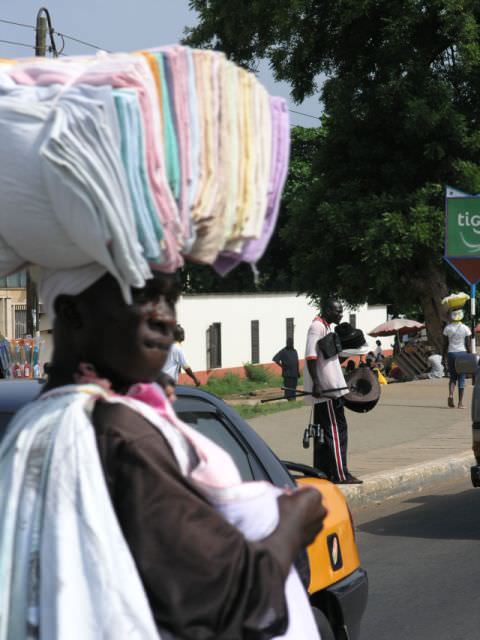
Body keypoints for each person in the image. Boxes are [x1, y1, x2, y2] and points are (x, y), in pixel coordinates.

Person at [1, 270, 327, 639]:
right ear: (73, 313)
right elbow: (225, 599)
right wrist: (291, 525)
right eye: (142, 295)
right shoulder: (120, 433)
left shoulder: (39, 418)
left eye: (169, 300)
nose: (165, 316)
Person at [304, 298, 362, 484]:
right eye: (337, 311)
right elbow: (311, 357)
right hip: (327, 389)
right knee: (336, 431)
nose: (341, 314)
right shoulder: (317, 327)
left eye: (341, 311)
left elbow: (327, 359)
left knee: (329, 431)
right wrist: (317, 384)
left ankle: (326, 471)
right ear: (327, 310)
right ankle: (340, 474)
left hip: (334, 388)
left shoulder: (327, 327)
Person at [443, 308, 472, 408]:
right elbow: (468, 344)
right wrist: (470, 355)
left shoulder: (447, 328)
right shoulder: (465, 328)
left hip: (451, 353)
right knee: (462, 378)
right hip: (462, 354)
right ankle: (460, 403)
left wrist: (444, 356)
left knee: (453, 377)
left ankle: (451, 395)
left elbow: (445, 344)